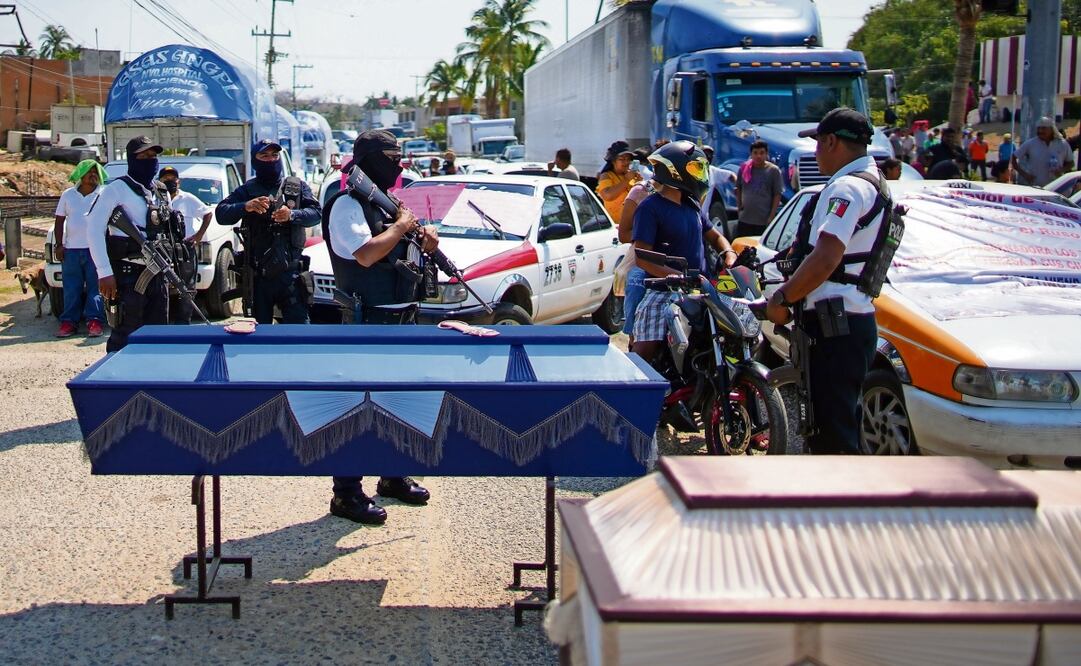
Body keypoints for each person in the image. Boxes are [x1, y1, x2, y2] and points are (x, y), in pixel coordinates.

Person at [322, 129, 436, 525]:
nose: (399, 164)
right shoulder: (347, 204)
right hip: (366, 321)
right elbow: (367, 254)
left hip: (401, 318)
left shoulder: (385, 205)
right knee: (358, 409)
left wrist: (426, 243)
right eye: (391, 157)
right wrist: (403, 226)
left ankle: (392, 475)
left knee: (397, 405)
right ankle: (346, 492)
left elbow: (401, 256)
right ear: (369, 158)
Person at [766, 108, 885, 455]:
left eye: (818, 142)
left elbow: (826, 256)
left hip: (836, 328)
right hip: (849, 323)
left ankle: (839, 507)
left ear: (832, 141)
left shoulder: (848, 188)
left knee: (832, 438)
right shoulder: (870, 182)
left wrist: (783, 298)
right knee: (838, 427)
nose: (815, 151)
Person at [630, 141, 736, 363]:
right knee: (643, 356)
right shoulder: (650, 208)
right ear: (675, 171)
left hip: (700, 291)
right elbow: (642, 256)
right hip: (662, 293)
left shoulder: (692, 207)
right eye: (695, 168)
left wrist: (728, 252)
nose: (701, 174)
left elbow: (715, 236)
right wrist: (676, 277)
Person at [215, 139, 321, 325]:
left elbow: (316, 214)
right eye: (264, 156)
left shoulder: (296, 187)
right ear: (255, 161)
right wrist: (246, 206)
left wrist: (292, 215)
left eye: (275, 155)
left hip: (291, 275)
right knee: (258, 336)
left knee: (299, 336)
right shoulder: (248, 189)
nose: (271, 160)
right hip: (259, 277)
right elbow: (222, 214)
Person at [86, 136, 175, 352]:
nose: (150, 160)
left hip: (157, 274)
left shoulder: (161, 191)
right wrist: (104, 272)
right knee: (125, 335)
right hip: (128, 274)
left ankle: (153, 381)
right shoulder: (116, 189)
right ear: (131, 159)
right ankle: (116, 383)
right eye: (143, 156)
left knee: (158, 336)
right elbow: (94, 229)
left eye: (153, 156)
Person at [54, 159, 107, 338]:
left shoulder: (104, 194)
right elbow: (59, 220)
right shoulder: (68, 195)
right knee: (71, 287)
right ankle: (69, 322)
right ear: (80, 174)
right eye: (89, 172)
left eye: (95, 172)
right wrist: (59, 245)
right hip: (71, 250)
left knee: (96, 287)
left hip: (96, 250)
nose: (93, 175)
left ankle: (95, 321)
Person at [158, 166, 212, 324]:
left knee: (186, 288)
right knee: (161, 287)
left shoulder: (188, 198)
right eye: (165, 179)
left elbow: (207, 214)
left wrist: (199, 235)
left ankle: (183, 324)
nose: (170, 182)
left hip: (184, 249)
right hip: (163, 249)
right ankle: (163, 325)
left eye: (172, 179)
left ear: (178, 182)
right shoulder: (155, 199)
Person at [735, 140, 783, 237]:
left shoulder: (773, 171)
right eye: (755, 153)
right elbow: (738, 188)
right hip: (745, 219)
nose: (758, 156)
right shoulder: (744, 168)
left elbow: (777, 194)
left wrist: (771, 216)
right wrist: (739, 206)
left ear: (766, 154)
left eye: (762, 153)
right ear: (751, 154)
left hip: (763, 221)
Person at [1012, 117, 1074, 187]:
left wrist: (1062, 170)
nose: (1040, 131)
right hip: (1037, 187)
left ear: (1051, 129)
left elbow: (1071, 163)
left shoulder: (1062, 144)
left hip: (1057, 186)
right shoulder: (1030, 143)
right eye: (1038, 128)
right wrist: (1025, 175)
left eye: (1043, 128)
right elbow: (1013, 158)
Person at [596, 140, 641, 223]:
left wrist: (641, 183)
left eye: (628, 159)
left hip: (634, 222)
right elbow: (608, 196)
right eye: (622, 159)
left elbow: (648, 193)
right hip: (617, 226)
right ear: (613, 161)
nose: (626, 162)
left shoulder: (631, 175)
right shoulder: (606, 176)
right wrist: (627, 180)